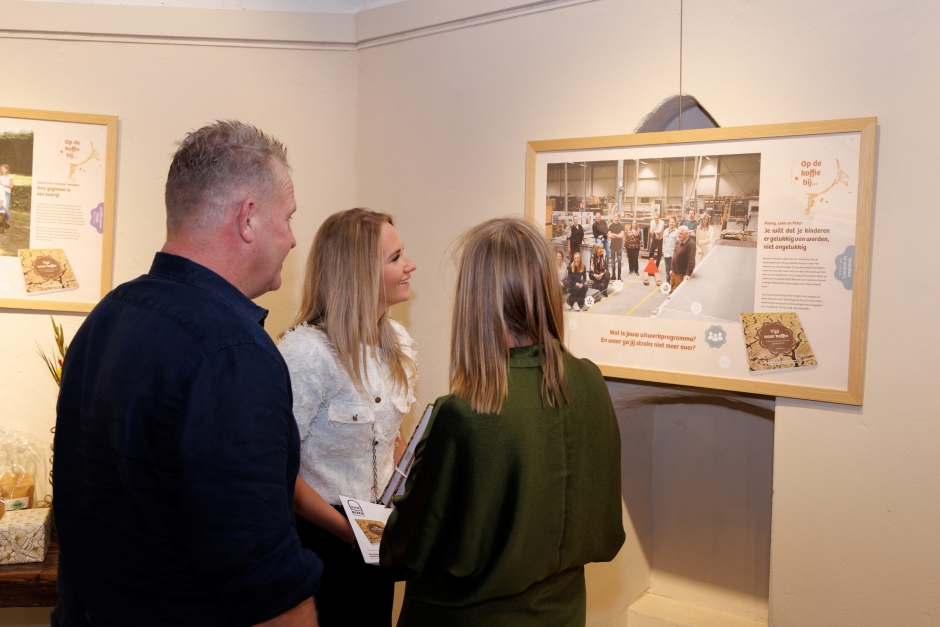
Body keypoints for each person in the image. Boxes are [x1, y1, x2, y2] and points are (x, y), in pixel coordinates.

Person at [53, 121, 322, 626]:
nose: (290, 239)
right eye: (287, 218)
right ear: (248, 219)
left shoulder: (108, 314)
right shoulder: (233, 352)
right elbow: (264, 577)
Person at [380, 217, 625, 627]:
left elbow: (409, 547)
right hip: (563, 612)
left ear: (475, 300)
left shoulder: (464, 413)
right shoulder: (589, 382)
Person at [277, 208, 418, 626]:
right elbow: (280, 470)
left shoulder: (397, 343)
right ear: (358, 273)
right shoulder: (306, 354)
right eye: (395, 258)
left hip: (375, 531)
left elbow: (389, 434)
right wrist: (346, 531)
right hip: (321, 539)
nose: (409, 265)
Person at [670, 225, 696, 296]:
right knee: (671, 290)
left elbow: (691, 261)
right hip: (674, 273)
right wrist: (672, 269)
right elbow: (674, 256)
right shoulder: (679, 242)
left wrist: (688, 274)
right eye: (678, 233)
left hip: (681, 275)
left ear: (687, 234)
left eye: (681, 233)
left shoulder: (691, 245)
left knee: (675, 294)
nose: (679, 235)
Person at [607, 213, 624, 280]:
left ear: (619, 217)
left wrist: (613, 234)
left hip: (619, 246)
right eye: (614, 216)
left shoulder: (621, 226)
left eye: (616, 216)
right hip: (612, 246)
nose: (615, 217)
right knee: (613, 262)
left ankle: (619, 277)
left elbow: (621, 236)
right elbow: (609, 236)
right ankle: (613, 276)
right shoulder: (611, 226)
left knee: (619, 262)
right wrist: (617, 235)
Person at [0, 165, 12, 232]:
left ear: (7, 169)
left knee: (6, 208)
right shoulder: (0, 177)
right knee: (1, 208)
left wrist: (3, 185)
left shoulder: (10, 176)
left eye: (3, 169)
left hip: (7, 193)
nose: (2, 171)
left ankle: (7, 222)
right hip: (1, 193)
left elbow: (11, 186)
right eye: (1, 170)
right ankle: (3, 222)